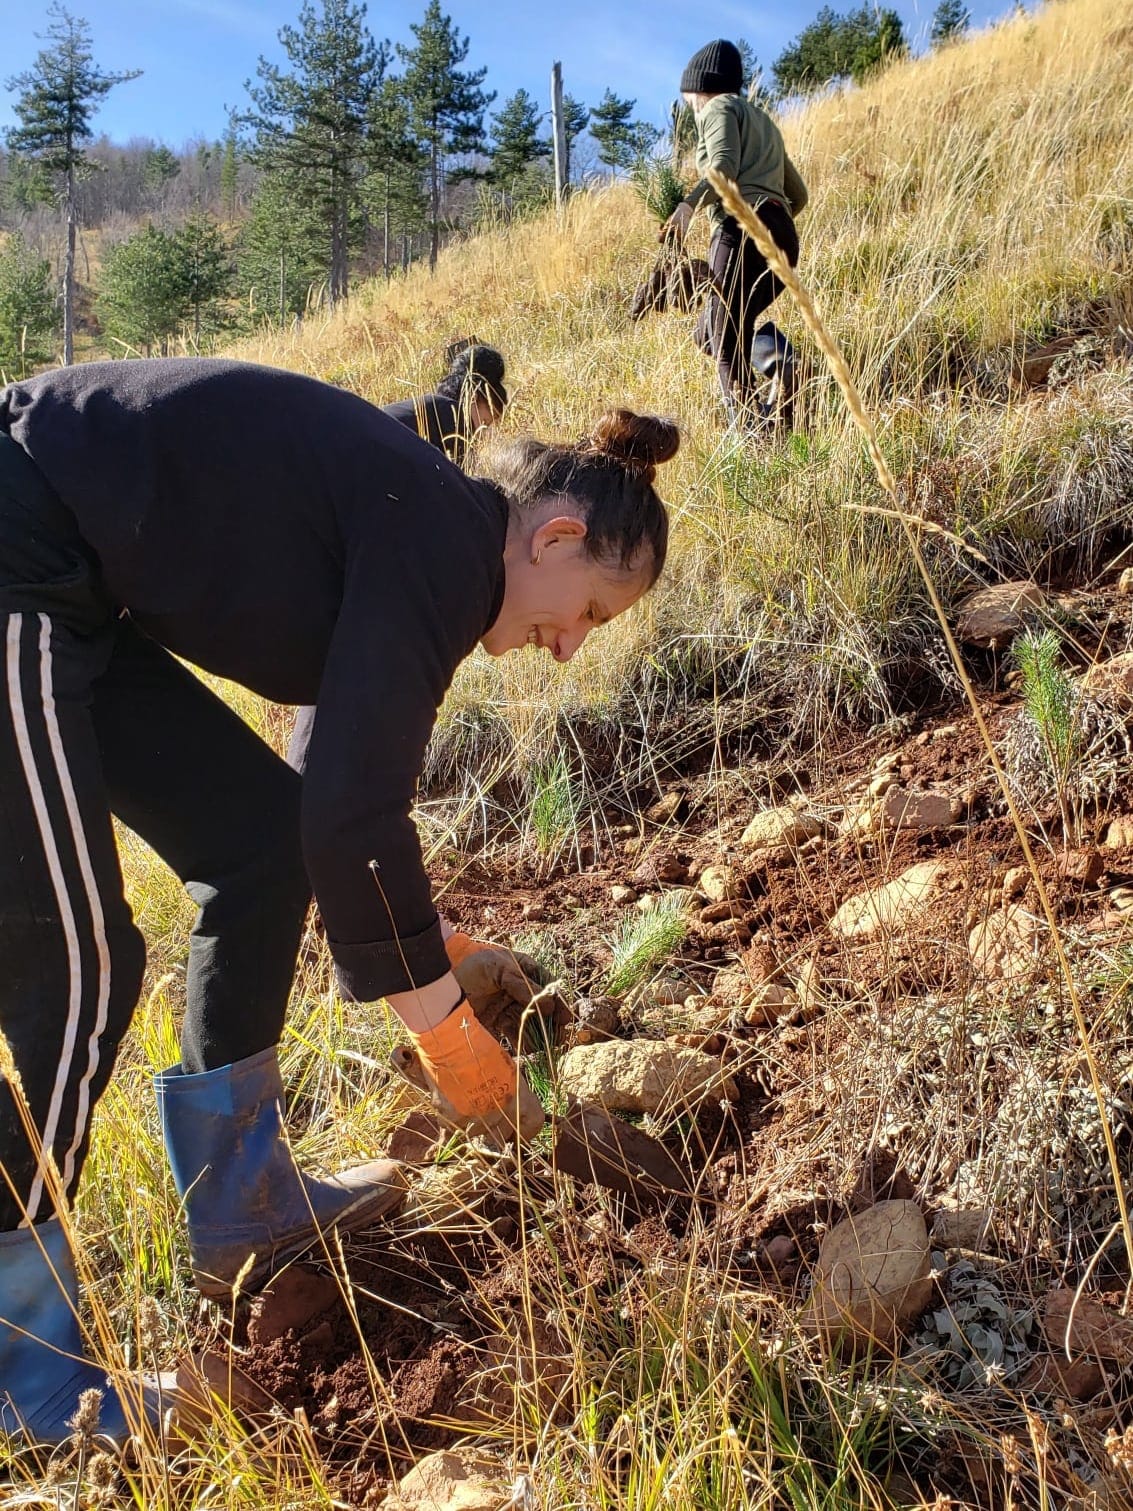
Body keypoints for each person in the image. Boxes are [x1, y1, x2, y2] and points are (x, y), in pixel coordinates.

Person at [0, 356, 677, 1445]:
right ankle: (28, 1382)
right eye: (589, 611)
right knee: (75, 969)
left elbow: (325, 802)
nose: (568, 647)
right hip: (16, 544)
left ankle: (240, 1204)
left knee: (255, 843)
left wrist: (431, 945)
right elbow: (357, 822)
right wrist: (451, 1043)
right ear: (552, 539)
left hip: (71, 579)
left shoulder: (438, 536)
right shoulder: (443, 549)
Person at [661, 39, 808, 431]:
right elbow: (800, 195)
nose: (690, 105)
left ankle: (749, 434)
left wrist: (688, 206)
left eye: (688, 96)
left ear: (699, 87)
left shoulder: (717, 108)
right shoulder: (765, 124)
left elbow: (722, 166)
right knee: (713, 331)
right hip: (783, 237)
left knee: (723, 340)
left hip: (739, 230)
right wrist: (769, 218)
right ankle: (779, 360)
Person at [381, 340, 508, 467]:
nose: (482, 435)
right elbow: (464, 480)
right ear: (472, 396)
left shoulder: (433, 408)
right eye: (485, 423)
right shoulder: (454, 419)